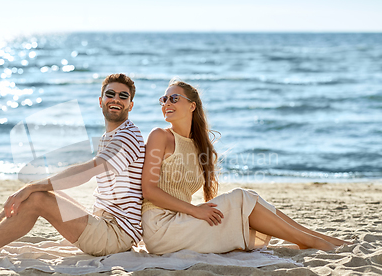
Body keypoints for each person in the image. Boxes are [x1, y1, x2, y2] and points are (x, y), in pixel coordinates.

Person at [0, 73, 145, 264]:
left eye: (123, 96)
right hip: (106, 223)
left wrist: (31, 187)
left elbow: (87, 171)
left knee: (36, 198)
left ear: (130, 105)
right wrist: (34, 187)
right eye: (111, 94)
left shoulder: (126, 137)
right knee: (39, 193)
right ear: (101, 101)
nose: (116, 99)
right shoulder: (115, 135)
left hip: (115, 236)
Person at [141, 79, 350, 255]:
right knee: (241, 198)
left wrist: (193, 212)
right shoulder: (160, 135)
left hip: (183, 220)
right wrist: (194, 210)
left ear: (192, 106)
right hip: (161, 227)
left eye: (174, 98)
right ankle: (310, 241)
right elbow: (149, 190)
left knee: (250, 196)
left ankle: (317, 237)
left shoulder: (197, 146)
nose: (166, 103)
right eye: (164, 99)